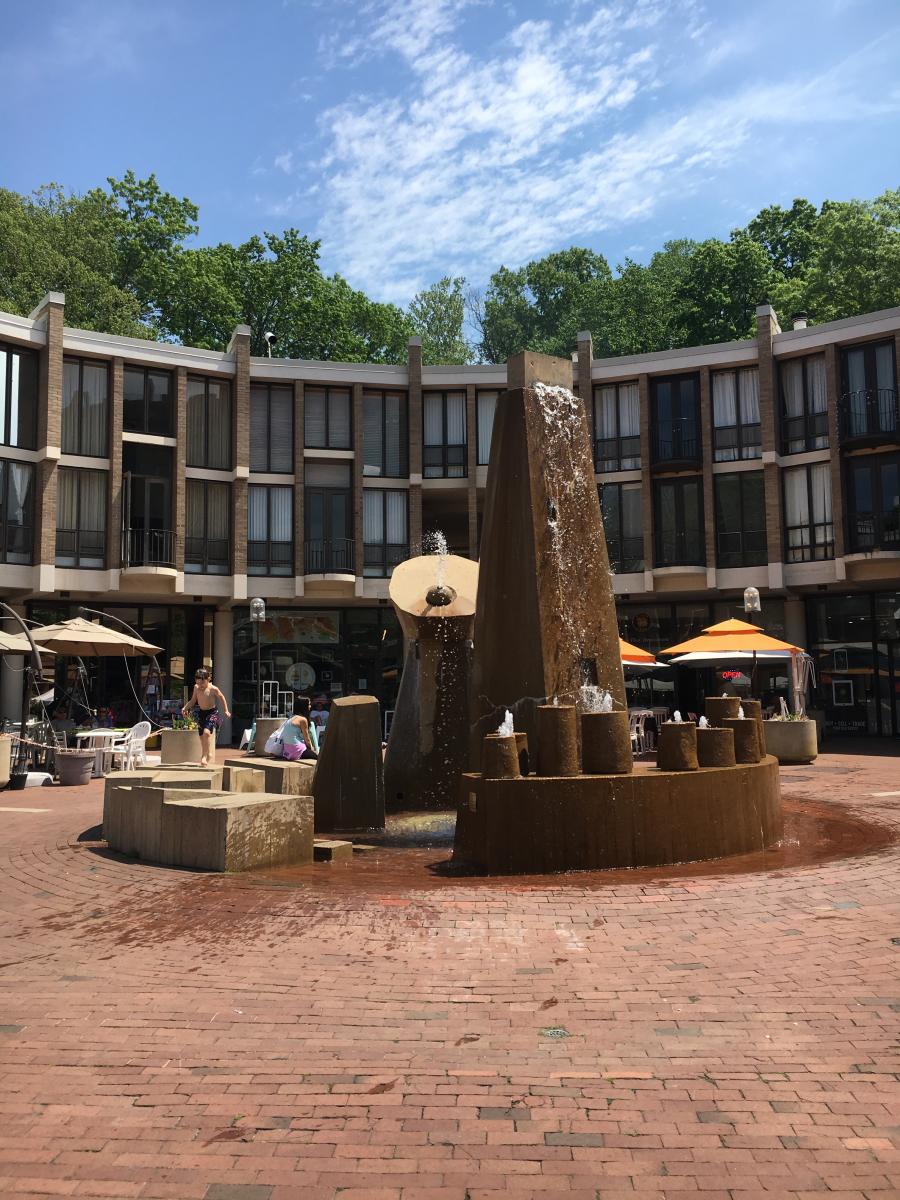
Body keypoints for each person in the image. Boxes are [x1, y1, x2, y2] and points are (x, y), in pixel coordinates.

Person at [182, 668, 231, 767]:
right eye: (198, 683)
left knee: (206, 733)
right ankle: (208, 753)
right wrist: (185, 708)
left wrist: (226, 710)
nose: (200, 686)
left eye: (202, 684)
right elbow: (192, 701)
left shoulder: (213, 689)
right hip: (202, 713)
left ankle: (203, 756)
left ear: (208, 679)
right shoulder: (196, 688)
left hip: (212, 712)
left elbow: (222, 697)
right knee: (201, 737)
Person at [276, 696, 318, 761]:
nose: (310, 706)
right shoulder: (302, 719)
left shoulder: (292, 717)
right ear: (304, 706)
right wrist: (312, 749)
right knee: (319, 757)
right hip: (296, 750)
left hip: (287, 750)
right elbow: (307, 740)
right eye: (309, 704)